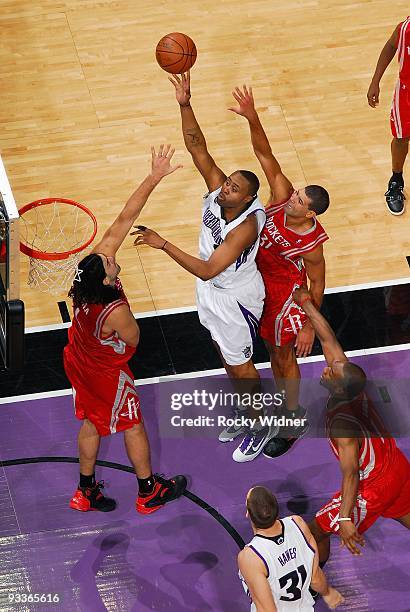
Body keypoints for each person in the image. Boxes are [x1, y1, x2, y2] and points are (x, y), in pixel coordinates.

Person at [133, 72, 272, 463]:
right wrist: (184, 104)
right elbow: (198, 149)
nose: (224, 187)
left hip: (235, 297)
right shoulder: (218, 190)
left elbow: (210, 268)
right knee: (224, 356)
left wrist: (163, 244)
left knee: (242, 366)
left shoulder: (245, 226)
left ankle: (260, 424)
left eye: (232, 188)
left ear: (247, 199)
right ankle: (247, 413)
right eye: (227, 182)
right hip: (212, 293)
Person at [64, 145, 187, 514]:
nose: (111, 254)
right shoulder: (113, 308)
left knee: (91, 420)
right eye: (109, 261)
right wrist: (117, 346)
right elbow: (132, 339)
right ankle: (148, 491)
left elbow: (124, 218)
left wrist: (154, 176)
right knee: (132, 425)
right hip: (104, 371)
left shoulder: (87, 278)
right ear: (105, 278)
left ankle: (85, 491)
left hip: (78, 359)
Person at [228, 85, 329, 458]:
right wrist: (252, 116)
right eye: (298, 193)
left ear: (310, 213)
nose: (293, 198)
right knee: (268, 354)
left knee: (282, 356)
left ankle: (292, 418)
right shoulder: (282, 194)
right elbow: (264, 154)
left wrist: (307, 325)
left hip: (283, 298)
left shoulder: (312, 243)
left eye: (300, 200)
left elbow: (317, 282)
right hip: (253, 285)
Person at [292, 286, 410, 563]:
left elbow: (351, 474)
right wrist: (306, 303)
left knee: (314, 532)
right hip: (395, 465)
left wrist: (345, 516)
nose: (327, 367)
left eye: (332, 371)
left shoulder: (342, 424)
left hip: (373, 485)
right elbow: (328, 338)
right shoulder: (353, 386)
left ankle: (311, 587)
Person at [238, 486, 344, 611]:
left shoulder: (251, 556)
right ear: (276, 509)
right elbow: (315, 578)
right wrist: (328, 593)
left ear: (248, 514)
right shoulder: (298, 524)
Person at [367, 17, 410, 215]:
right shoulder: (405, 28)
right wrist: (376, 81)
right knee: (401, 138)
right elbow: (390, 46)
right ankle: (396, 180)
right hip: (406, 92)